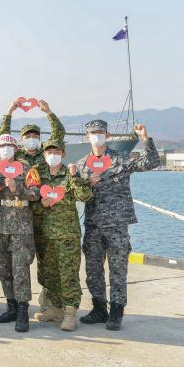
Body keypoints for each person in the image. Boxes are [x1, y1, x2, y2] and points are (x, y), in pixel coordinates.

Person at [77, 121, 159, 331]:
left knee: (117, 270)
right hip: (93, 225)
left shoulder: (121, 159)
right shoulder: (80, 165)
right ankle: (98, 309)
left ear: (108, 135)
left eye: (100, 132)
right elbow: (75, 191)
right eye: (93, 133)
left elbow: (151, 162)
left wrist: (144, 139)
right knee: (93, 270)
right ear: (87, 137)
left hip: (117, 225)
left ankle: (116, 312)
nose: (97, 136)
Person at [0, 99, 66, 314]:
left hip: (46, 215)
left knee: (48, 262)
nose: (31, 140)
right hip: (21, 218)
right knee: (20, 263)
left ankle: (52, 302)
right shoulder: (16, 156)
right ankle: (17, 305)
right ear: (21, 139)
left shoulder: (46, 155)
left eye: (35, 136)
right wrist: (9, 112)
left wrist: (49, 113)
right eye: (27, 136)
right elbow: (3, 138)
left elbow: (59, 136)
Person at [33, 139, 93, 331]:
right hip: (44, 235)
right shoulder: (38, 176)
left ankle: (69, 313)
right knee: (48, 275)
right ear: (44, 154)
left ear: (63, 154)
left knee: (68, 275)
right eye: (49, 151)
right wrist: (40, 204)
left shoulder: (70, 174)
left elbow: (85, 196)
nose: (52, 155)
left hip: (66, 235)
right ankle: (55, 309)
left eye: (56, 151)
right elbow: (29, 201)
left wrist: (76, 177)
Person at [0, 134, 40, 332]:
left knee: (20, 270)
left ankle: (23, 311)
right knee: (3, 270)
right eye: (1, 147)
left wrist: (18, 189)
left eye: (8, 146)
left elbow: (36, 194)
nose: (5, 149)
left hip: (20, 228)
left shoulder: (28, 169)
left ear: (16, 148)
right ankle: (12, 306)